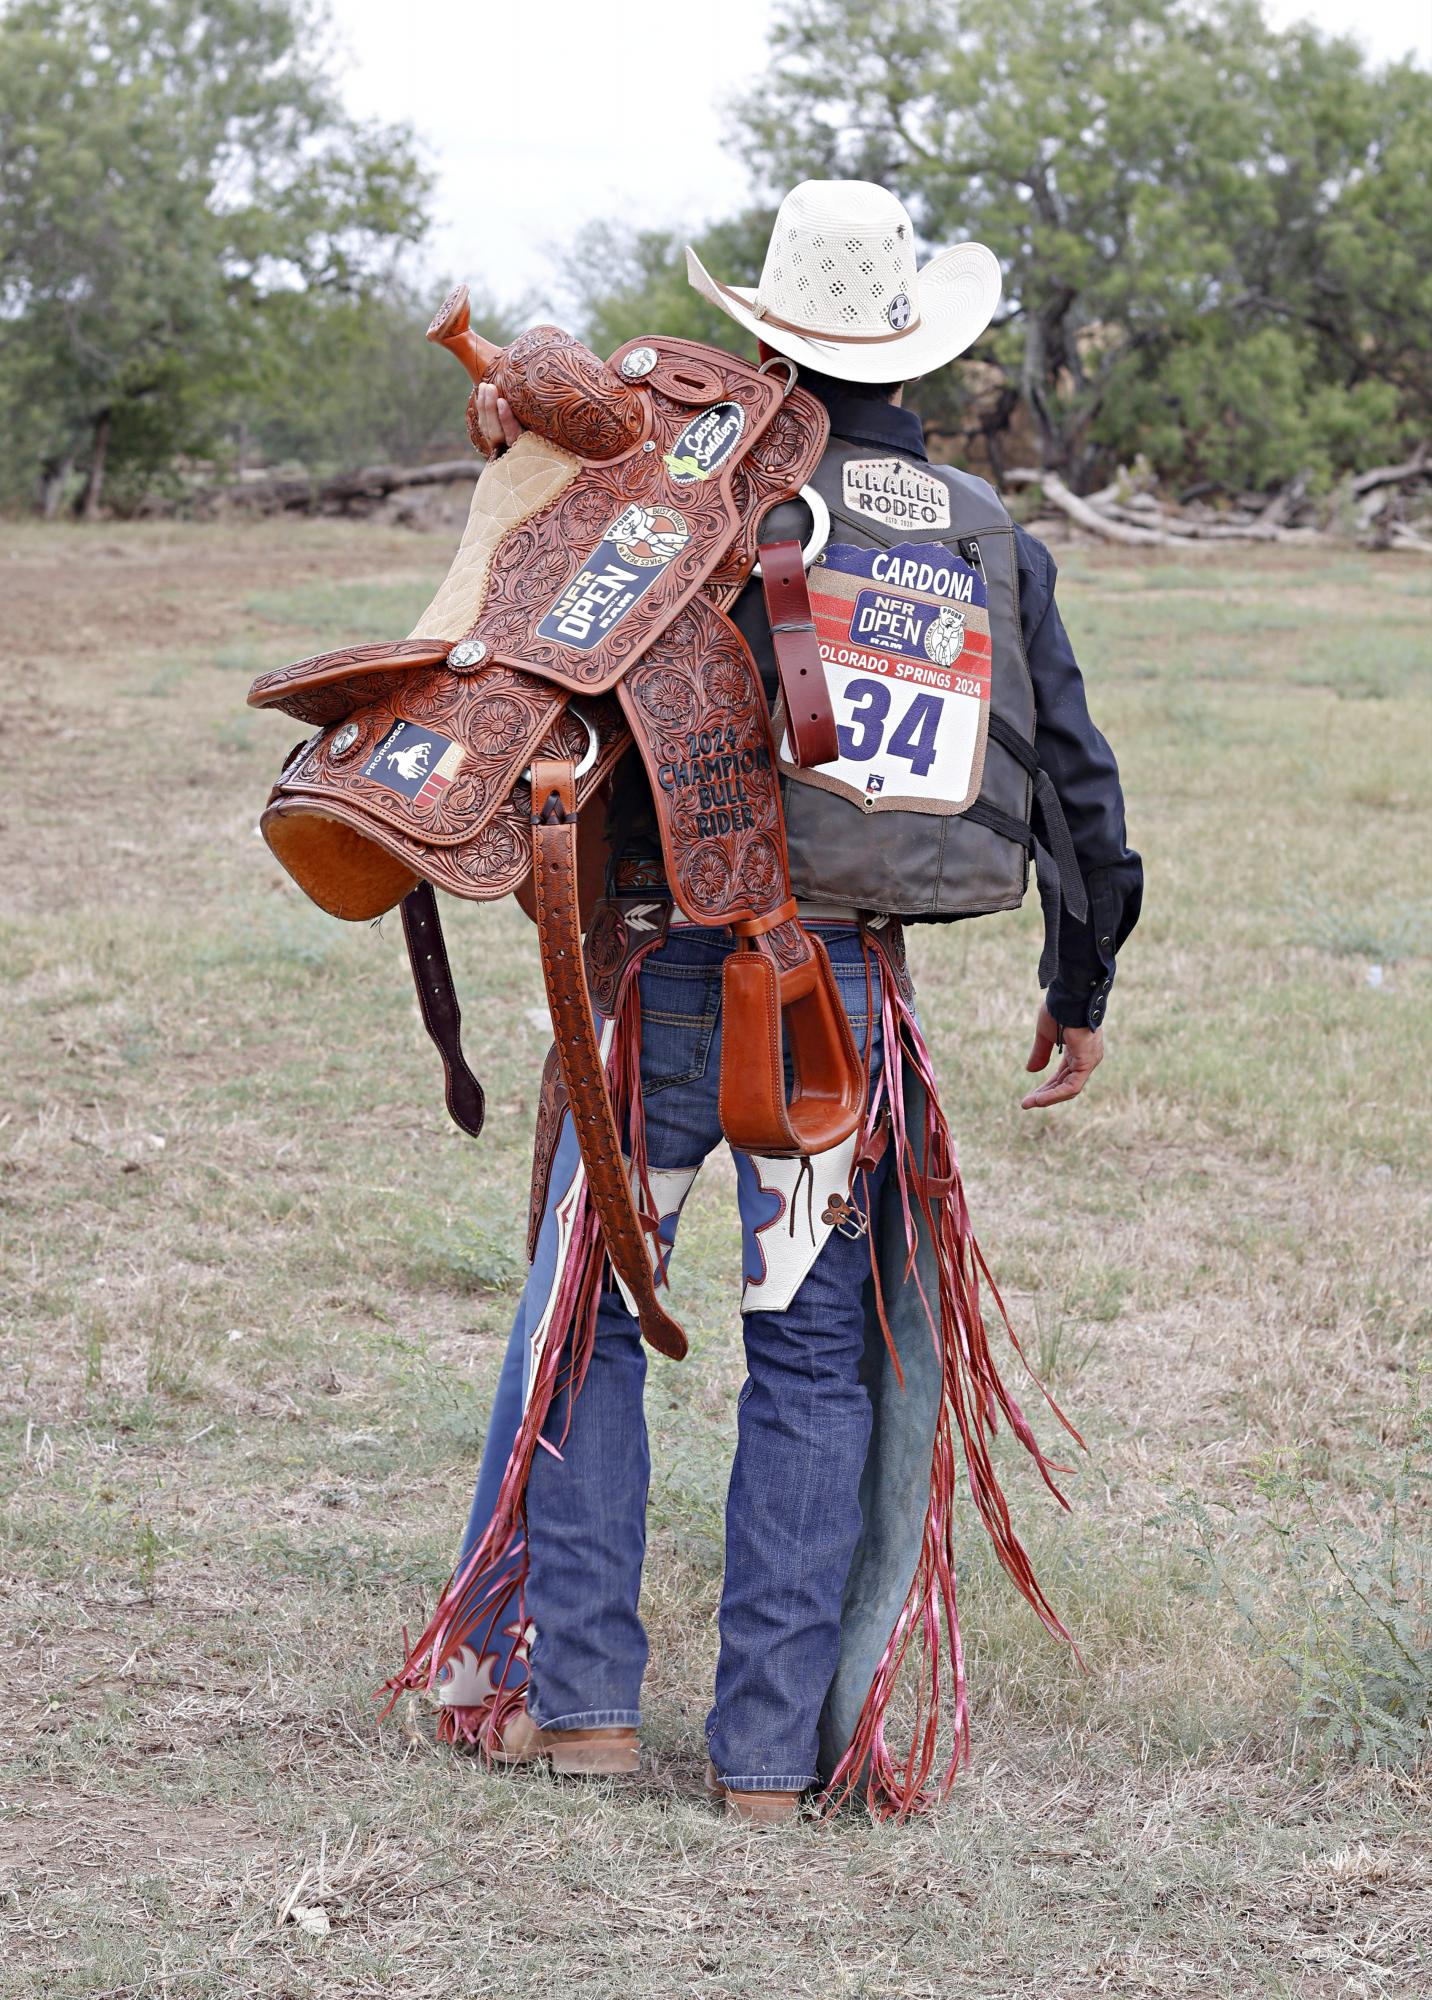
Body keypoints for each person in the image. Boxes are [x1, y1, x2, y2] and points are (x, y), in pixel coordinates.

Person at [389, 181, 1142, 1823]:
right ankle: (768, 1757)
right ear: (914, 344)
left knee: (590, 1315)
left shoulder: (687, 502)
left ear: (756, 337)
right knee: (813, 1356)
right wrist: (1080, 979)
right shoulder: (982, 533)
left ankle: (575, 1696)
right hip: (846, 1000)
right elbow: (1076, 781)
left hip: (664, 973)